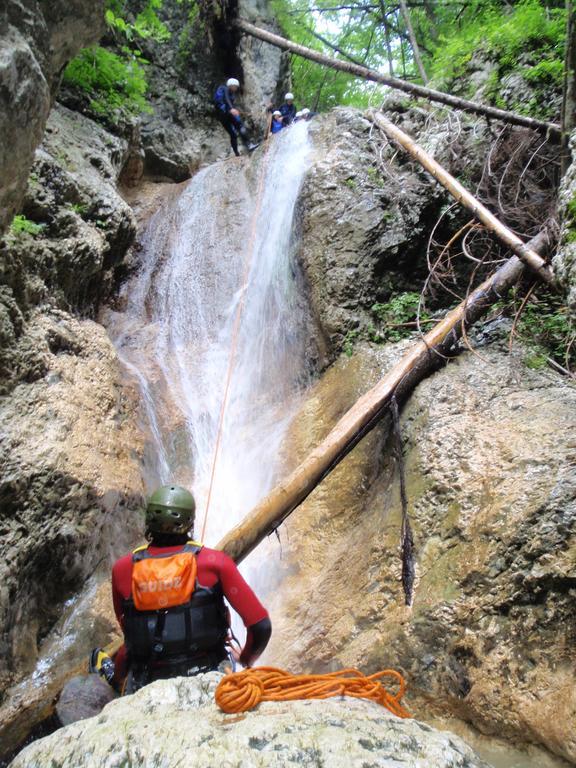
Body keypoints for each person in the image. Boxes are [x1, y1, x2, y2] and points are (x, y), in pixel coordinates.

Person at [95, 485, 271, 694]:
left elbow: (131, 632)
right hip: (210, 674)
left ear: (148, 521)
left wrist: (118, 674)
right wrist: (245, 658)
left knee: (100, 660)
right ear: (190, 522)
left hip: (147, 681)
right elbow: (261, 626)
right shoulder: (214, 563)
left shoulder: (123, 569)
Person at [214, 77, 259, 157]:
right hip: (226, 113)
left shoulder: (228, 93)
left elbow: (228, 102)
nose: (236, 88)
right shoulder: (225, 89)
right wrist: (231, 109)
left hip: (222, 116)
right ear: (231, 85)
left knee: (233, 134)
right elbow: (226, 100)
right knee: (240, 126)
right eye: (235, 87)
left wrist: (234, 110)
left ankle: (237, 153)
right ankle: (248, 145)